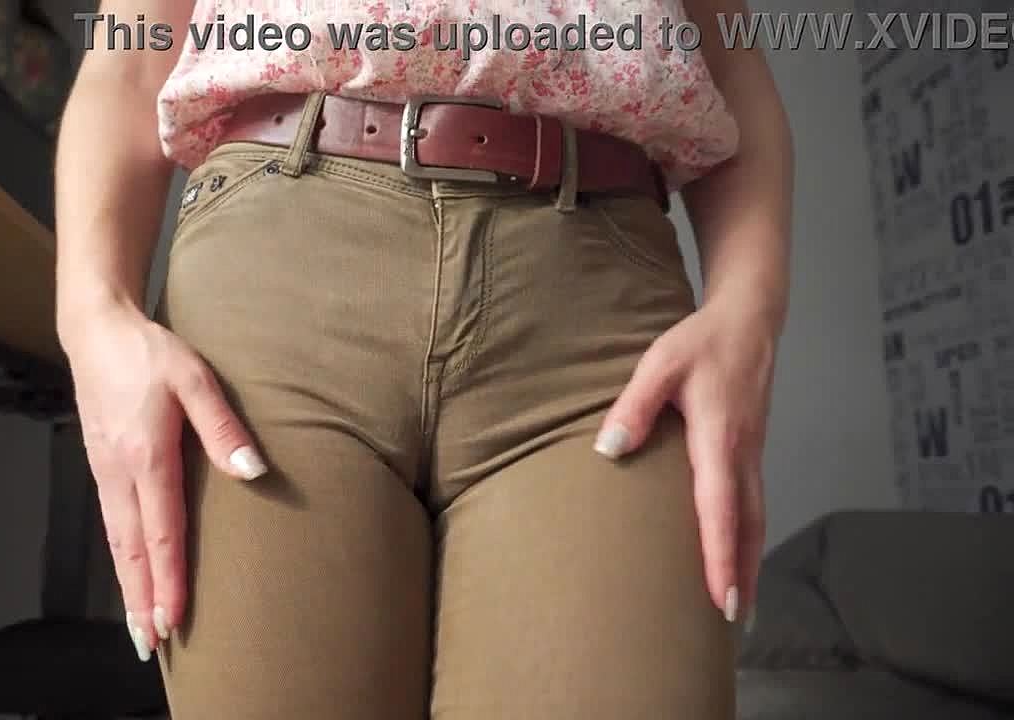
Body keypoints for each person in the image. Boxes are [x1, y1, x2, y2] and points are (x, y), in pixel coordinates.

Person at [55, 0, 792, 717]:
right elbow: (131, 59)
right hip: (272, 287)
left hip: (598, 322)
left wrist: (748, 315)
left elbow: (730, 67)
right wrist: (93, 319)